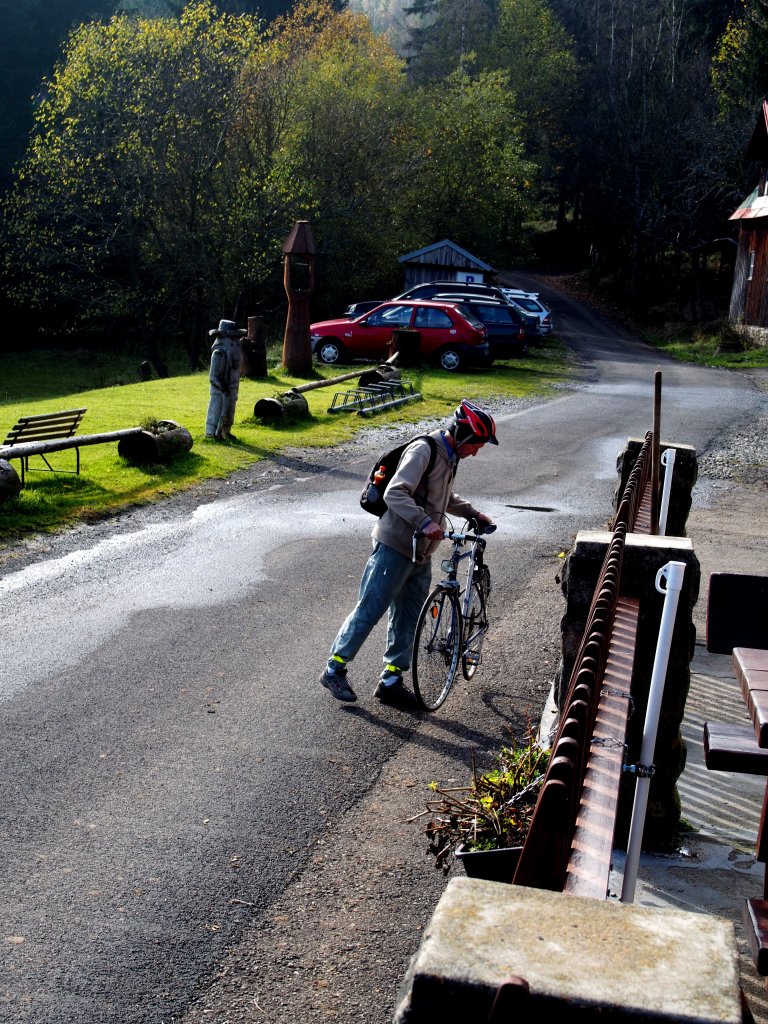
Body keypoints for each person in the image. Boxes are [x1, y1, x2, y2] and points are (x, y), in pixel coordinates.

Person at [319, 399, 498, 706]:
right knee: (370, 610)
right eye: (476, 445)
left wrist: (473, 513)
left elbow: (441, 496)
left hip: (421, 552)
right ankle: (334, 669)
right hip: (395, 546)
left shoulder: (450, 456)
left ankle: (390, 680)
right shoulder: (424, 450)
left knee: (408, 617)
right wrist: (424, 521)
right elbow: (395, 492)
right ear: (464, 435)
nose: (476, 452)